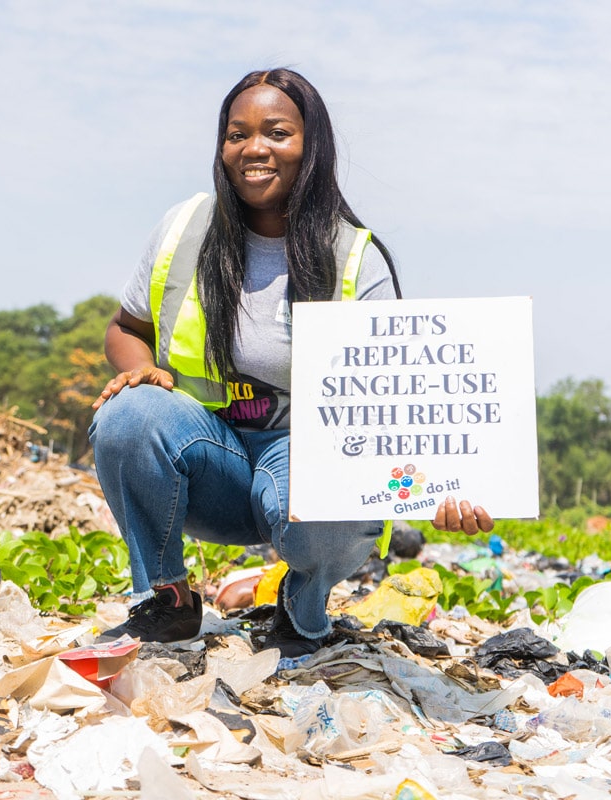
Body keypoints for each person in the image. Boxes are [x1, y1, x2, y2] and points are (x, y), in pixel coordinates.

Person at [88, 68, 493, 658]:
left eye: (277, 133)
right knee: (129, 413)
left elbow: (403, 409)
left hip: (304, 464)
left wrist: (447, 490)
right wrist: (141, 370)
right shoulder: (184, 230)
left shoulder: (354, 256)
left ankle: (302, 611)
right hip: (211, 457)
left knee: (335, 489)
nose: (254, 149)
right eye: (237, 134)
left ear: (311, 147)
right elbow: (125, 330)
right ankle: (166, 599)